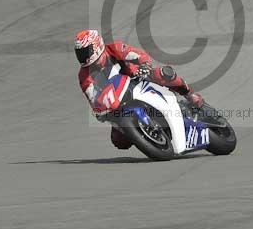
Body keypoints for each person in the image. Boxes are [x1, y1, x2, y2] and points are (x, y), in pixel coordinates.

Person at [74, 29, 204, 150]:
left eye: (86, 51)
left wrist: (144, 66)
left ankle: (189, 94)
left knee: (162, 74)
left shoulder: (115, 48)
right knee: (119, 141)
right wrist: (99, 112)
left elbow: (139, 56)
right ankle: (149, 137)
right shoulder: (84, 75)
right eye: (80, 53)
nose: (83, 56)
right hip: (118, 103)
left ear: (97, 46)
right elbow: (92, 98)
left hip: (138, 80)